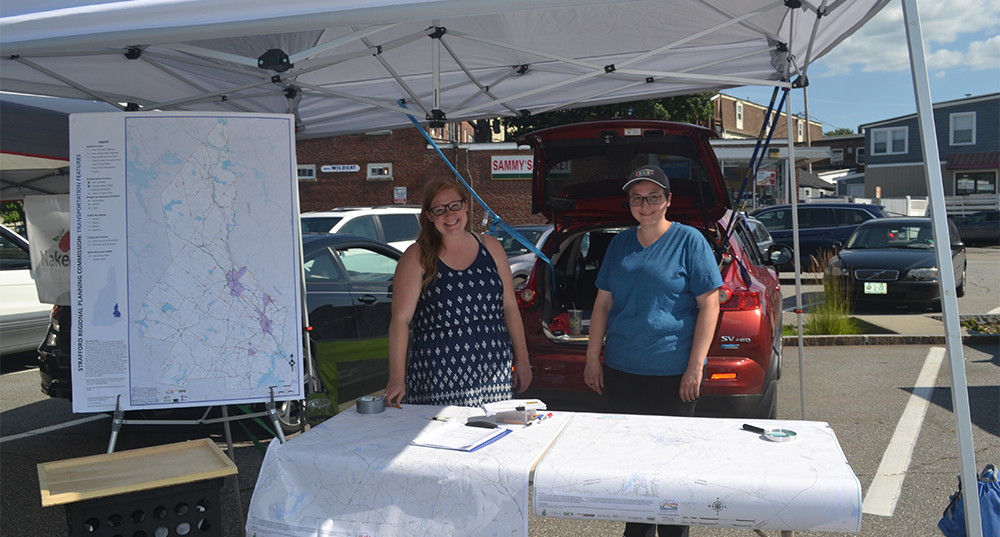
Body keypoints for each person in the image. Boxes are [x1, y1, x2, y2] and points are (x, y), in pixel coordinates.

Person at [583, 165, 722, 537]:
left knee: (672, 475)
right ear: (629, 203)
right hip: (622, 371)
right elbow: (602, 305)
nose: (645, 205)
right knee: (634, 471)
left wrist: (696, 366)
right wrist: (592, 358)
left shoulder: (689, 241)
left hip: (672, 375)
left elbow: (710, 304)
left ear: (668, 200)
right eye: (637, 198)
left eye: (653, 197)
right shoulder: (620, 243)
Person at [385, 178, 531, 407]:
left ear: (465, 206)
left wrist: (522, 359)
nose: (449, 215)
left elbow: (510, 308)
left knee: (492, 436)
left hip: (495, 369)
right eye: (439, 209)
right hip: (438, 371)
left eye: (454, 205)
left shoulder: (491, 247)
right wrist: (396, 377)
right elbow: (400, 321)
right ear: (429, 216)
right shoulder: (417, 256)